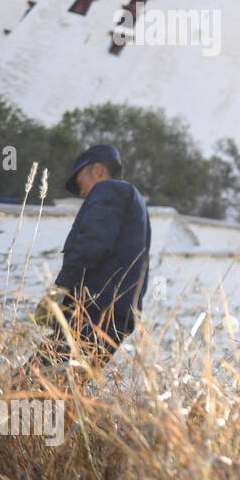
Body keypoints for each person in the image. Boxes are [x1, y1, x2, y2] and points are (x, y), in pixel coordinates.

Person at [35, 144, 151, 369]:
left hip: (93, 310)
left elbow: (91, 245)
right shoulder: (136, 204)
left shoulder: (109, 189)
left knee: (34, 381)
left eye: (80, 183)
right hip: (117, 316)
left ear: (98, 170)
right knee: (65, 389)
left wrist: (56, 293)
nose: (81, 193)